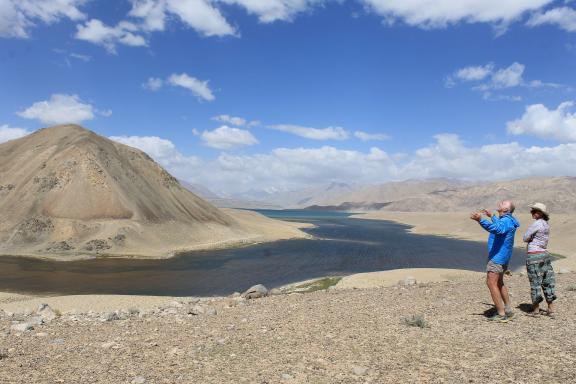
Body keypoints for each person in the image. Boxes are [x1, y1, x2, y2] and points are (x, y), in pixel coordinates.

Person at [470, 200, 520, 323]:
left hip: (497, 257)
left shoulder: (505, 221)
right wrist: (491, 215)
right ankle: (508, 310)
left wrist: (480, 220)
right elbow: (500, 226)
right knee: (499, 283)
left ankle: (501, 313)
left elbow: (497, 229)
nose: (501, 203)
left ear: (506, 210)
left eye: (504, 203)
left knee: (491, 283)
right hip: (503, 257)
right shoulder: (509, 220)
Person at [523, 202, 556, 317]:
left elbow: (525, 237)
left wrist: (531, 238)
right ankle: (551, 309)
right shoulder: (546, 224)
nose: (531, 213)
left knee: (535, 282)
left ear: (540, 213)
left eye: (534, 211)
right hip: (544, 254)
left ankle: (536, 311)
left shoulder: (536, 224)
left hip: (534, 255)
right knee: (547, 281)